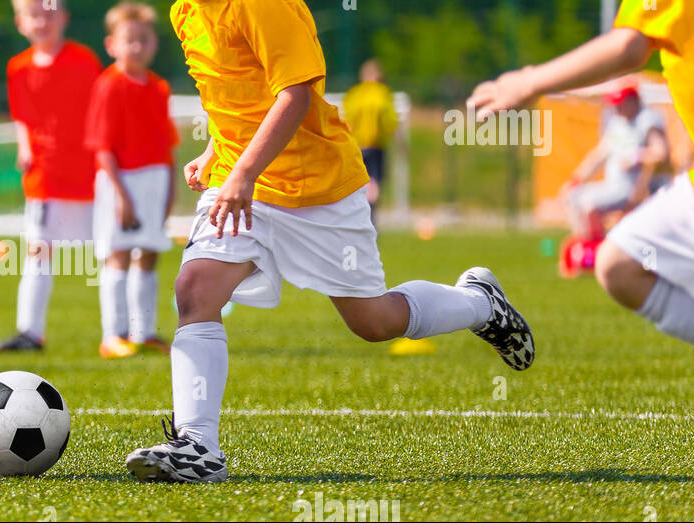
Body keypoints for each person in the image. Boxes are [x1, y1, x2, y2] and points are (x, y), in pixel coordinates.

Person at [125, 0, 536, 483]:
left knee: (374, 321)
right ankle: (198, 447)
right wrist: (218, 150)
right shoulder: (185, 11)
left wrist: (243, 173)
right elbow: (232, 94)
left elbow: (294, 95)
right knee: (195, 290)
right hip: (243, 180)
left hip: (314, 186)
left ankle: (480, 304)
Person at [470, 0, 694, 348]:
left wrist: (530, 81)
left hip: (638, 189)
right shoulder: (616, 124)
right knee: (619, 263)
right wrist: (578, 176)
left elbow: (627, 45)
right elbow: (603, 152)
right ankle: (582, 254)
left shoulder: (647, 120)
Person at [0, 0, 102, 353]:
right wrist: (25, 148)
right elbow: (22, 115)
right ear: (21, 23)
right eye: (34, 15)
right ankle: (30, 332)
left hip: (90, 172)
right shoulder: (18, 67)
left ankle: (125, 330)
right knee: (38, 252)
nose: (43, 21)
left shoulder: (84, 60)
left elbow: (102, 111)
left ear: (65, 18)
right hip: (44, 175)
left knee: (110, 252)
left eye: (50, 13)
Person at [83, 2, 179, 359]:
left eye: (144, 39)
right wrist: (121, 196)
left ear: (154, 43)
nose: (137, 46)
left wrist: (170, 191)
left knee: (150, 254)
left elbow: (167, 146)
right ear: (112, 45)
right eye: (129, 40)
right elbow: (102, 148)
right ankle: (113, 336)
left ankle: (145, 331)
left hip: (154, 180)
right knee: (119, 254)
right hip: (119, 181)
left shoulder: (158, 87)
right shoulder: (108, 86)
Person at [562, 86, 670, 240]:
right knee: (571, 196)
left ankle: (601, 245)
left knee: (588, 204)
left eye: (620, 104)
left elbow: (661, 154)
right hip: (613, 185)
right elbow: (600, 155)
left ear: (633, 101)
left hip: (634, 189)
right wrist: (576, 179)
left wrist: (635, 157)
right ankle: (589, 244)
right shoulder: (617, 123)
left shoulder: (648, 119)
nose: (617, 108)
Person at [342, 59, 398, 211]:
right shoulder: (382, 93)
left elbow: (346, 121)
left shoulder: (354, 94)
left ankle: (361, 210)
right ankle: (371, 210)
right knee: (374, 184)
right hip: (376, 147)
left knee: (359, 184)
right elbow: (390, 121)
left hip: (356, 147)